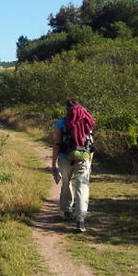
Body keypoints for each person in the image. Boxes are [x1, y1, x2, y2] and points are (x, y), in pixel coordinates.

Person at [51, 98, 96, 233]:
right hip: (83, 158)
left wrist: (53, 164)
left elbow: (57, 144)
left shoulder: (61, 123)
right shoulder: (87, 121)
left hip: (65, 158)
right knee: (82, 187)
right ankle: (80, 219)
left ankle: (66, 211)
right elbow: (91, 145)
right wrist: (90, 163)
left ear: (67, 109)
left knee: (66, 183)